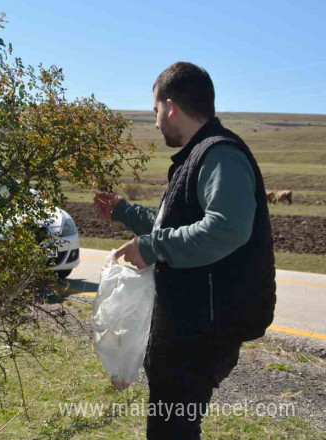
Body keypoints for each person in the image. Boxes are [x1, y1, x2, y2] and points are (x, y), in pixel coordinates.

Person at [93, 62, 276, 439]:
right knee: (170, 426)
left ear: (171, 106)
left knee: (172, 429)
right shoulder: (199, 157)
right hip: (189, 323)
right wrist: (124, 212)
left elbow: (225, 229)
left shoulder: (220, 156)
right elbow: (175, 224)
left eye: (156, 111)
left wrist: (151, 247)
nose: (157, 122)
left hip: (203, 328)